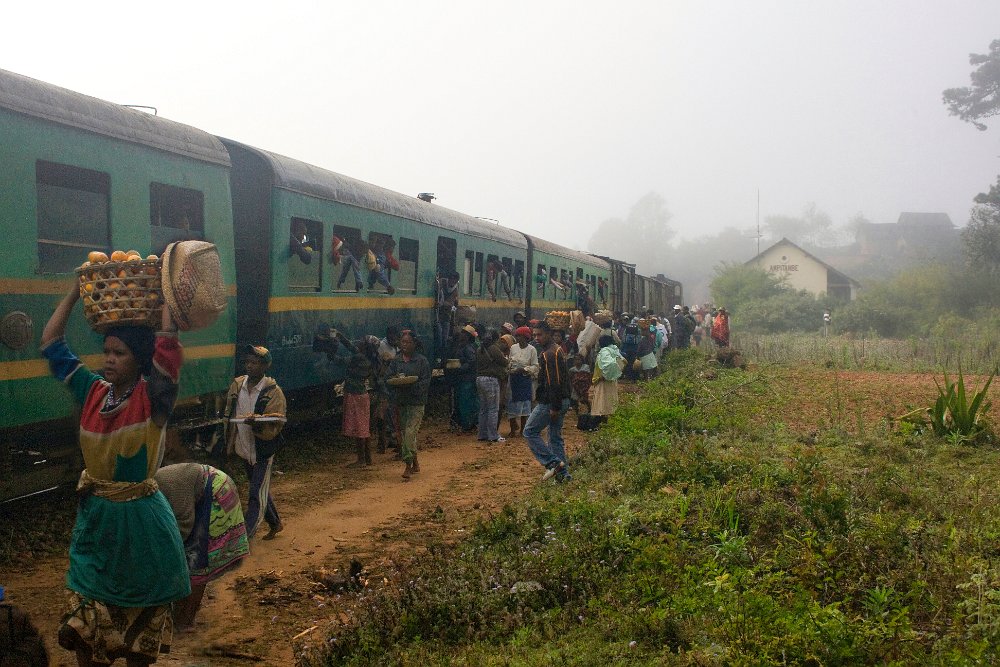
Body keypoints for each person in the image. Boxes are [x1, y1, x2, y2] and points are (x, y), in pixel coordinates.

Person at [42, 285, 189, 666]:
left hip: (142, 528)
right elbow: (51, 343)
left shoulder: (153, 399)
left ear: (140, 360)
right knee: (86, 630)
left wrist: (167, 302)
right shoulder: (92, 391)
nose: (109, 359)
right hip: (97, 524)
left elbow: (168, 350)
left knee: (138, 639)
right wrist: (74, 294)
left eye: (119, 353)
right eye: (106, 351)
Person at [154, 463, 250, 629]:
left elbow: (184, 523)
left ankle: (184, 620)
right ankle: (182, 614)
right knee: (189, 562)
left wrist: (167, 553)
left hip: (216, 491)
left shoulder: (168, 486)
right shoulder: (156, 488)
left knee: (197, 562)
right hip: (206, 492)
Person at [223, 345, 287, 540]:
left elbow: (276, 423)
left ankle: (244, 538)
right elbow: (229, 415)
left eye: (255, 363)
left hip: (263, 451)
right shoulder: (237, 386)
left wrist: (257, 423)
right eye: (248, 362)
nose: (249, 366)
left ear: (265, 366)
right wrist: (228, 444)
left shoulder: (274, 392)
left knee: (255, 493)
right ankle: (275, 523)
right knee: (259, 490)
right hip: (244, 448)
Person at [523, 322, 572, 482]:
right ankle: (563, 476)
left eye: (540, 335)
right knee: (554, 437)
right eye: (535, 335)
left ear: (549, 334)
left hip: (552, 401)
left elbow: (554, 382)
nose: (537, 338)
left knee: (529, 431)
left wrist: (554, 407)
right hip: (561, 399)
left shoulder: (549, 354)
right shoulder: (556, 349)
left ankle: (553, 463)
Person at [384, 330, 431, 480]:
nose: (405, 345)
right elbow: (388, 378)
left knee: (410, 432)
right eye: (403, 342)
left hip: (416, 403)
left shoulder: (422, 361)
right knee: (405, 434)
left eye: (408, 342)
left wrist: (410, 388)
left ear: (415, 344)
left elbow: (425, 382)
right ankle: (415, 463)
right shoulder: (396, 361)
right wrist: (397, 385)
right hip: (401, 402)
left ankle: (408, 464)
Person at [341, 335, 375, 467]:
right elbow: (351, 347)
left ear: (365, 346)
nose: (358, 342)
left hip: (355, 395)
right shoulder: (368, 357)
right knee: (364, 427)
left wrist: (330, 355)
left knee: (359, 428)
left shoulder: (359, 358)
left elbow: (341, 361)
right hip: (362, 395)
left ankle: (361, 460)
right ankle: (368, 458)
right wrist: (340, 336)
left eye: (361, 341)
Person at [476, 329, 508, 442]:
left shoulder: (479, 349)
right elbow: (504, 362)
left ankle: (482, 434)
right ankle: (493, 435)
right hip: (491, 380)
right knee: (493, 408)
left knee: (483, 409)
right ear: (495, 338)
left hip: (480, 379)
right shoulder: (493, 348)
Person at [507, 326, 538, 438]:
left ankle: (523, 430)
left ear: (526, 337)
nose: (518, 338)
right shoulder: (513, 348)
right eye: (517, 336)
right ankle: (512, 429)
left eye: (519, 336)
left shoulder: (532, 350)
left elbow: (535, 366)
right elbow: (510, 361)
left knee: (525, 405)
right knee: (511, 403)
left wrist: (524, 369)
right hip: (513, 379)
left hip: (525, 380)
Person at [589, 335, 625, 430]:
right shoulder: (615, 351)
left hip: (602, 381)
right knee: (610, 401)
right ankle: (606, 422)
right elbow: (622, 362)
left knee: (601, 401)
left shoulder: (604, 352)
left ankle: (598, 423)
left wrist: (604, 375)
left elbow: (608, 364)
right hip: (612, 381)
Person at [375, 326, 401, 454]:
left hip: (393, 383)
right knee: (385, 412)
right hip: (384, 383)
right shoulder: (382, 346)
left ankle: (392, 439)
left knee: (392, 412)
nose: (393, 339)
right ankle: (386, 440)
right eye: (391, 337)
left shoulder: (397, 346)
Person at [450, 324, 479, 432]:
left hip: (467, 379)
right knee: (462, 402)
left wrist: (460, 368)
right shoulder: (461, 346)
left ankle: (468, 424)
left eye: (464, 333)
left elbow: (472, 362)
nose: (461, 335)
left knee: (466, 402)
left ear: (468, 336)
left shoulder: (468, 348)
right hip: (461, 379)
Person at [569, 353, 593, 429]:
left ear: (582, 360)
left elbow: (588, 377)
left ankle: (590, 409)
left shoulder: (586, 367)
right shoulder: (572, 369)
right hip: (575, 387)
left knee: (584, 399)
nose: (577, 361)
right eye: (576, 360)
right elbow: (571, 379)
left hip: (584, 387)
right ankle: (577, 412)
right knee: (575, 400)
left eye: (579, 359)